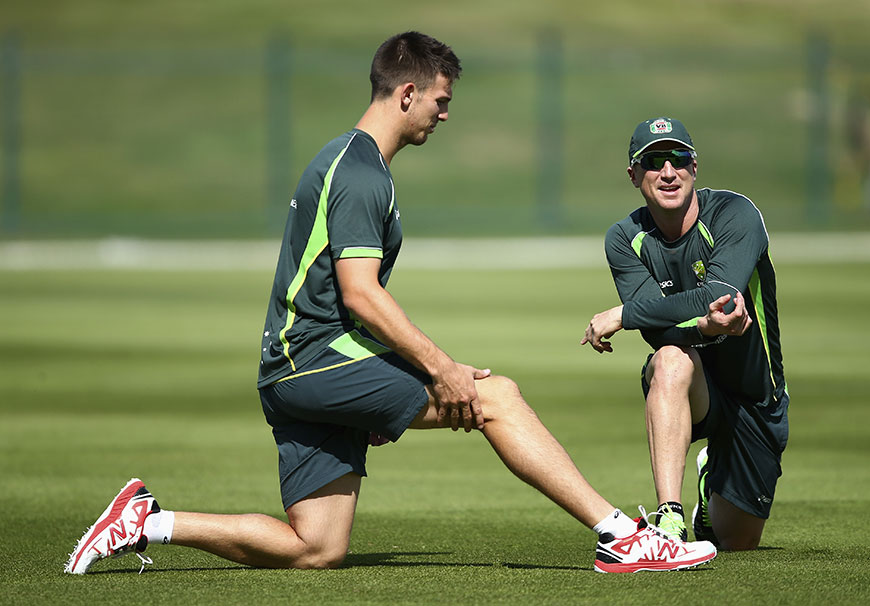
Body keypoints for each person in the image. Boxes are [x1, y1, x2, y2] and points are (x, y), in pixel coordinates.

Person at [65, 36, 717, 577]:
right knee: (498, 396)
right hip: (312, 362)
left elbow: (353, 297)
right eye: (440, 99)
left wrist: (374, 387)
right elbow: (359, 294)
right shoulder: (359, 171)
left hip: (301, 371)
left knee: (316, 547)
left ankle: (147, 520)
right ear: (407, 94)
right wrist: (442, 370)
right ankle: (622, 537)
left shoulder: (352, 163)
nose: (444, 112)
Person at [581, 117, 789, 550]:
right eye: (654, 162)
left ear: (695, 167)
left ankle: (708, 480)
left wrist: (625, 313)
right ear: (634, 174)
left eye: (678, 159)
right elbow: (659, 334)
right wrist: (704, 325)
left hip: (755, 394)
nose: (668, 172)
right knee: (671, 358)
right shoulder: (625, 238)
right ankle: (669, 518)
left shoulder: (735, 213)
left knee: (738, 540)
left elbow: (718, 293)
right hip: (692, 382)